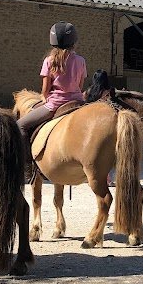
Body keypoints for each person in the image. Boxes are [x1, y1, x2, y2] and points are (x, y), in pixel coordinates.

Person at [17, 22, 87, 177]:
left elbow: (45, 89)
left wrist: (44, 98)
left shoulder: (49, 61)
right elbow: (80, 86)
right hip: (78, 102)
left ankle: (28, 167)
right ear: (74, 42)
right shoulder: (81, 60)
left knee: (19, 126)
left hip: (55, 104)